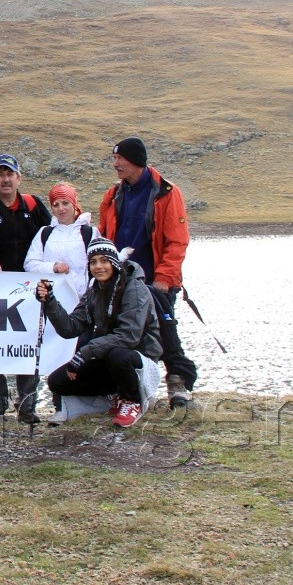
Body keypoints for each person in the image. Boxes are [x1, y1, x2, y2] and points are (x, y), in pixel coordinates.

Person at [98, 137, 197, 408]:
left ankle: (178, 382)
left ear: (136, 161)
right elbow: (105, 237)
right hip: (121, 280)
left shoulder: (166, 192)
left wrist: (165, 279)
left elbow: (177, 240)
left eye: (120, 159)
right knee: (124, 334)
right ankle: (131, 391)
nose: (115, 164)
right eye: (115, 158)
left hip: (156, 280)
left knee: (164, 331)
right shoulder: (113, 194)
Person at [36, 236, 163, 428]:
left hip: (140, 359)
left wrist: (85, 353)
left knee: (118, 355)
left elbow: (129, 336)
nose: (99, 266)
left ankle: (132, 400)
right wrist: (50, 301)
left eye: (104, 260)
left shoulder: (134, 287)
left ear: (114, 262)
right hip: (109, 357)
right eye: (93, 262)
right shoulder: (94, 291)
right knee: (57, 382)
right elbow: (70, 328)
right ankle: (114, 396)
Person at [0, 153, 52, 422]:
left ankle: (27, 405)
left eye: (9, 174)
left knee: (29, 346)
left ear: (18, 177)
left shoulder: (33, 205)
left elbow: (52, 236)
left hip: (31, 291)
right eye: (0, 174)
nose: (5, 179)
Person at [23, 181, 94, 419]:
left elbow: (100, 265)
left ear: (74, 205)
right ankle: (58, 405)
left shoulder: (89, 233)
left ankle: (79, 405)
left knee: (80, 354)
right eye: (56, 204)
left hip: (83, 305)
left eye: (65, 203)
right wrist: (53, 267)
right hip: (53, 305)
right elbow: (30, 264)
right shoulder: (45, 234)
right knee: (56, 354)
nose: (61, 209)